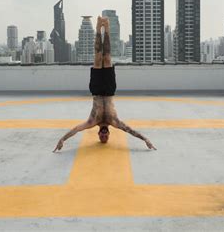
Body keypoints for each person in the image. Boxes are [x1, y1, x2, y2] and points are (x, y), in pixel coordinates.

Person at [53, 16, 156, 152]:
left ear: (98, 133)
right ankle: (105, 27)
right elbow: (130, 130)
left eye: (101, 135)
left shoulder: (92, 121)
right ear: (108, 133)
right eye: (105, 135)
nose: (103, 134)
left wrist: (62, 139)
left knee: (97, 57)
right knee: (106, 57)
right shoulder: (114, 122)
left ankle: (98, 27)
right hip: (109, 90)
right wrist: (145, 140)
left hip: (96, 90)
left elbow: (76, 129)